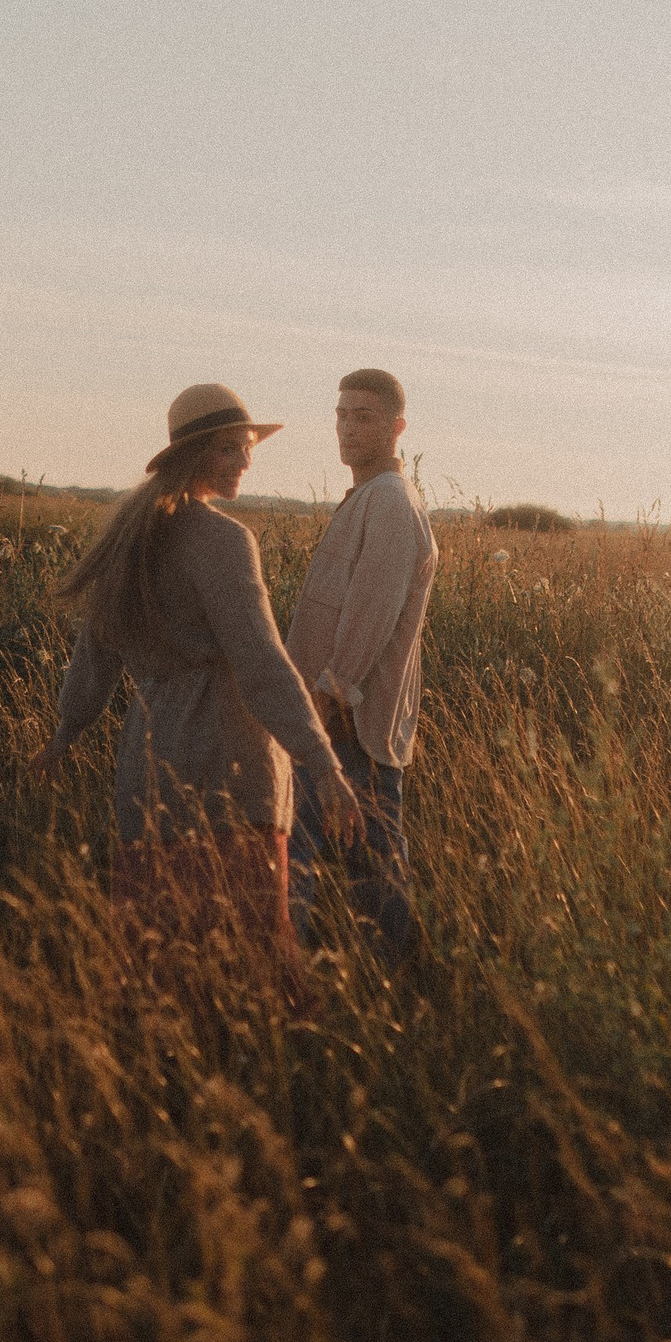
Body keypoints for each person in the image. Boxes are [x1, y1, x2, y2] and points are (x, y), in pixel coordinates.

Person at [31, 383, 360, 964]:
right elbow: (261, 664)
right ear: (194, 456)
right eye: (229, 449)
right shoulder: (223, 540)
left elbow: (94, 657)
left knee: (157, 952)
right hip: (230, 768)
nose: (244, 461)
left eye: (247, 446)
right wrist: (323, 760)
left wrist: (66, 732)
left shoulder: (131, 538)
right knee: (246, 956)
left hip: (149, 769)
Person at [285, 368, 438, 962]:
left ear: (399, 427)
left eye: (365, 416)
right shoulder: (373, 498)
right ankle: (399, 983)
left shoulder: (392, 502)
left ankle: (301, 982)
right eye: (342, 414)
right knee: (370, 869)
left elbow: (370, 612)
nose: (348, 427)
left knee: (317, 855)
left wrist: (328, 696)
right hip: (341, 716)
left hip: (351, 721)